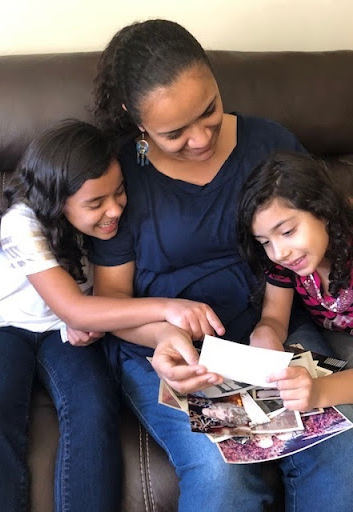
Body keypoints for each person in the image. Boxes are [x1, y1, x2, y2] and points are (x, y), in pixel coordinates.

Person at [90, 19, 353, 511]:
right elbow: (110, 301)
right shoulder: (121, 175)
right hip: (175, 353)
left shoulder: (267, 142)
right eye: (173, 132)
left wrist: (271, 327)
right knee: (223, 473)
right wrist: (164, 336)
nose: (200, 139)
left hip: (276, 334)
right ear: (137, 121)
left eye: (209, 110)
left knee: (341, 453)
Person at [0, 119, 226, 512]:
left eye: (119, 191)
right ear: (57, 202)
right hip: (5, 325)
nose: (114, 209)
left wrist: (89, 319)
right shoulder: (20, 222)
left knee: (93, 409)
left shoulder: (112, 215)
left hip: (70, 330)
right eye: (95, 203)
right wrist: (167, 307)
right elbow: (72, 305)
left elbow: (84, 309)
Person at [237, 150, 353, 412]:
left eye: (288, 232)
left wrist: (320, 392)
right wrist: (265, 332)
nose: (279, 253)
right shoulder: (286, 262)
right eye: (265, 242)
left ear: (323, 211)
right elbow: (275, 317)